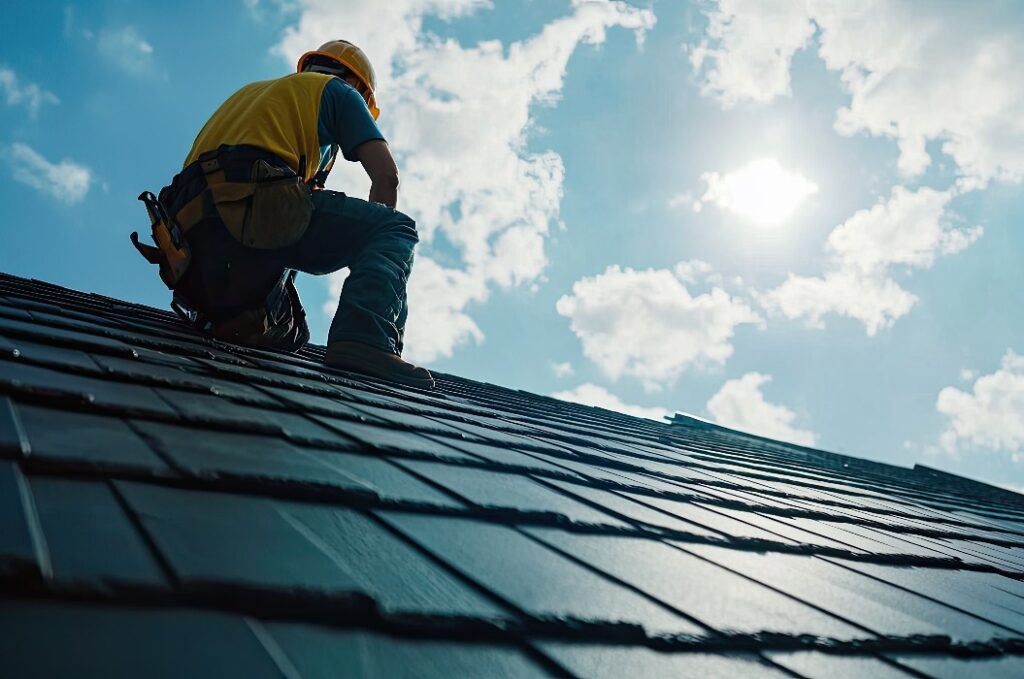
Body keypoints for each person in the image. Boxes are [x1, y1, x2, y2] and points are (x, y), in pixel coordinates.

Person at [137, 40, 434, 389]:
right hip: (251, 200)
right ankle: (366, 341)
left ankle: (225, 316)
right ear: (359, 89)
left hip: (190, 237)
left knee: (289, 331)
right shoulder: (338, 92)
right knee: (395, 229)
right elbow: (386, 177)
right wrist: (375, 247)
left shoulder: (255, 95)